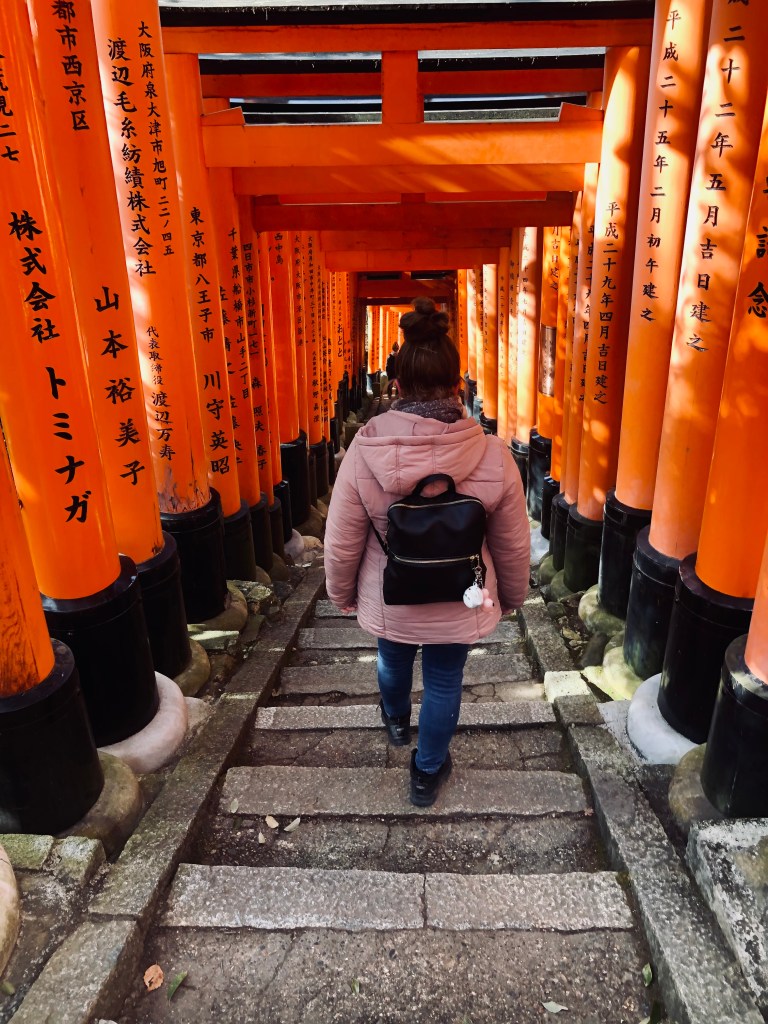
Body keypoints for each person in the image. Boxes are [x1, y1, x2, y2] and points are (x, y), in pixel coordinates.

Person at [324, 297, 530, 806]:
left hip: (393, 594)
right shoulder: (493, 455)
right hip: (460, 597)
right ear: (458, 387)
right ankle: (426, 772)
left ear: (396, 387)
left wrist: (341, 592)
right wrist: (515, 595)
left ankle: (395, 721)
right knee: (444, 680)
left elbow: (343, 535)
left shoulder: (364, 452)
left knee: (391, 660)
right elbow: (510, 539)